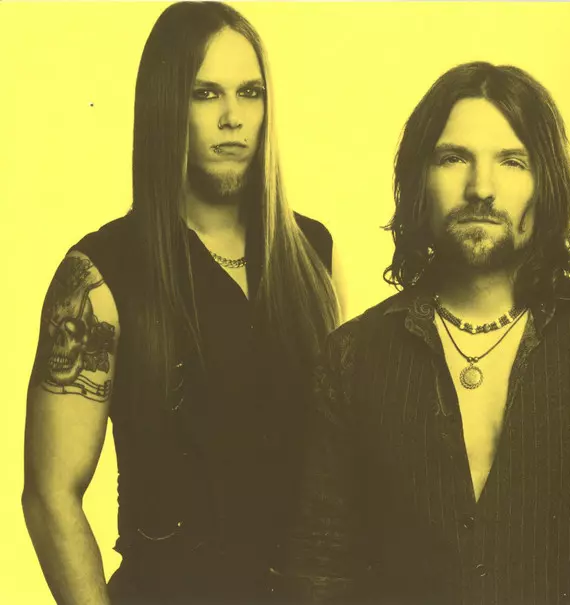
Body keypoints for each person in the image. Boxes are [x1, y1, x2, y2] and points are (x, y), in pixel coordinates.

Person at [21, 2, 343, 604]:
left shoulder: (313, 252)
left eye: (250, 92)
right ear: (166, 106)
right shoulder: (100, 275)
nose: (232, 117)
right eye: (205, 93)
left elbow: (341, 459)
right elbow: (49, 495)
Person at [286, 62, 570, 605]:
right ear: (418, 182)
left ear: (545, 184)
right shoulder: (353, 356)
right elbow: (321, 572)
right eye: (454, 158)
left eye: (512, 161)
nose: (481, 188)